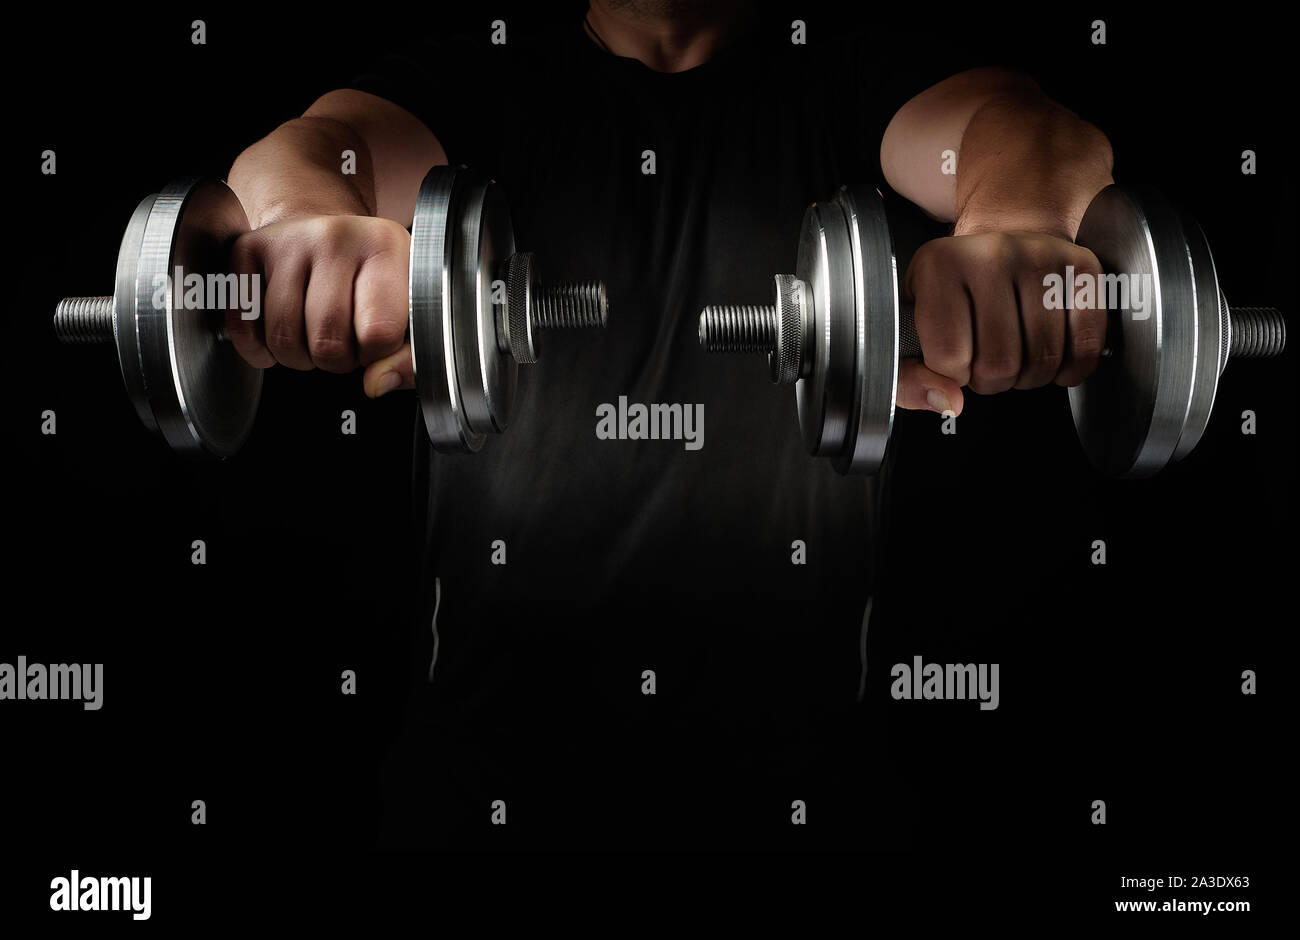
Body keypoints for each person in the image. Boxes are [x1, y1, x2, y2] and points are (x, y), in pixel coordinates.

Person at [225, 0, 1114, 848]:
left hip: (799, 789)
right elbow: (313, 145)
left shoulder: (840, 77)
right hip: (487, 780)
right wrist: (305, 217)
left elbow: (1017, 127)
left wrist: (1018, 221)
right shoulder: (480, 81)